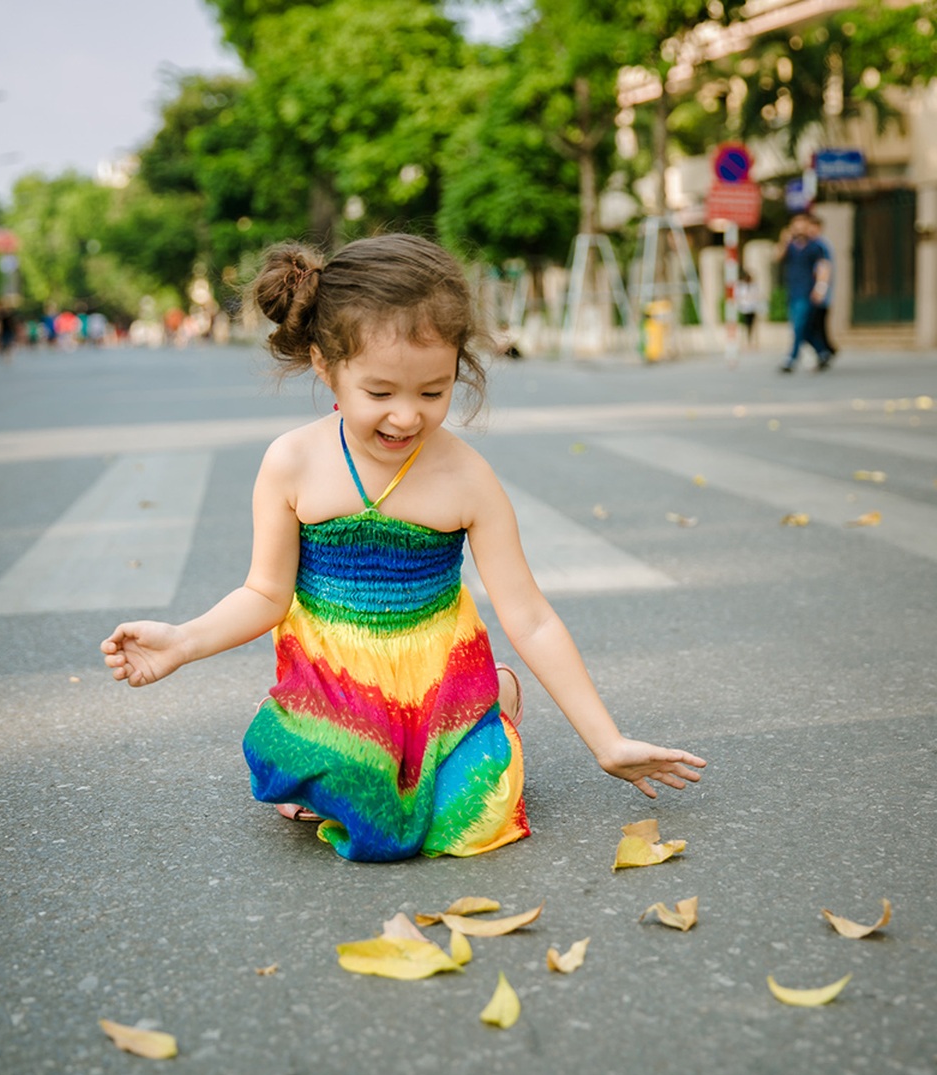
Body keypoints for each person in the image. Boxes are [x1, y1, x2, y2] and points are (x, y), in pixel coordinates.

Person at [100, 234, 706, 863]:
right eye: (380, 394)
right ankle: (324, 715)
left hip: (439, 674)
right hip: (337, 678)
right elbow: (264, 593)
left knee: (466, 814)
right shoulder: (292, 463)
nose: (407, 417)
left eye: (432, 392)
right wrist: (183, 641)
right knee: (349, 786)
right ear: (324, 365)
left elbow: (530, 616)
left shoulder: (467, 478)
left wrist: (606, 741)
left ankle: (487, 697)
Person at [773, 212, 832, 372]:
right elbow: (777, 257)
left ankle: (791, 359)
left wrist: (820, 289)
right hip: (793, 291)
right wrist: (783, 240)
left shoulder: (815, 246)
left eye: (802, 225)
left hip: (807, 292)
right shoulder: (790, 246)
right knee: (800, 327)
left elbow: (824, 267)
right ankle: (822, 352)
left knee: (799, 325)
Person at [805, 212, 836, 360]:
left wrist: (820, 290)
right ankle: (826, 351)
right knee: (817, 327)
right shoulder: (814, 244)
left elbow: (824, 268)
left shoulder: (821, 245)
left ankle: (827, 351)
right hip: (815, 293)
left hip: (819, 295)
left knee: (815, 326)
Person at [735, 269, 762, 349]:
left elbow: (757, 296)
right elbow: (738, 296)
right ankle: (745, 342)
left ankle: (752, 342)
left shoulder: (754, 286)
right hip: (744, 308)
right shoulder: (741, 286)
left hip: (752, 308)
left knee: (752, 325)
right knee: (745, 326)